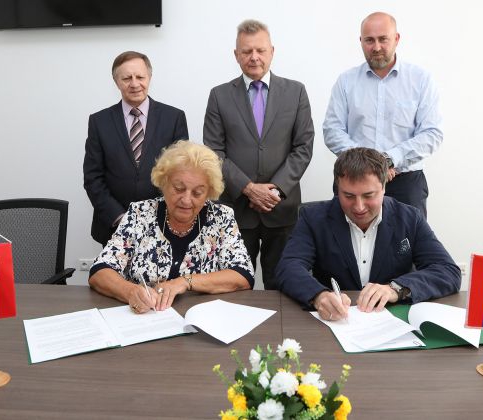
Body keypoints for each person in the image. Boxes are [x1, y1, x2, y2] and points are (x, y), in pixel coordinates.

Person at [276, 147, 460, 321]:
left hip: (393, 323)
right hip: (335, 322)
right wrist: (319, 295)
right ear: (337, 189)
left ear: (384, 187)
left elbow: (447, 271)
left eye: (368, 195)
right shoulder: (313, 218)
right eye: (348, 196)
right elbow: (288, 267)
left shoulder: (410, 218)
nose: (359, 207)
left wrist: (395, 289)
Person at [203, 19, 314, 290]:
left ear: (272, 51)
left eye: (260, 50)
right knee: (234, 286)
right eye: (247, 51)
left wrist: (275, 190)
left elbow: (303, 146)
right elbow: (213, 152)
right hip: (235, 210)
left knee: (284, 286)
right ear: (236, 55)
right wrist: (249, 189)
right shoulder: (219, 95)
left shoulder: (296, 92)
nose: (254, 57)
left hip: (282, 209)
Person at [88, 141, 254, 313]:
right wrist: (130, 292)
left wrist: (185, 281)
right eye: (179, 189)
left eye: (197, 193)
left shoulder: (221, 217)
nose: (186, 200)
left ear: (208, 193)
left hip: (200, 320)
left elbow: (243, 274)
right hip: (144, 317)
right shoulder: (139, 213)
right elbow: (100, 271)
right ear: (164, 183)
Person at [323, 12, 443, 218]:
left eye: (383, 39)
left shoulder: (421, 80)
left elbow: (432, 133)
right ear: (361, 41)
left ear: (396, 39)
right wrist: (368, 164)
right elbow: (332, 130)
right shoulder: (346, 81)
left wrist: (390, 159)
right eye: (369, 40)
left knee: (408, 239)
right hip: (353, 181)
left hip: (405, 183)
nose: (376, 47)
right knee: (346, 238)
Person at [84, 51, 189, 246]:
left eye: (140, 77)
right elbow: (93, 178)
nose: (134, 84)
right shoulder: (99, 122)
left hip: (163, 224)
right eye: (126, 78)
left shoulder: (174, 118)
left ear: (149, 77)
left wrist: (157, 216)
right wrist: (119, 218)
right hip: (113, 228)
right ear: (116, 82)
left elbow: (180, 174)